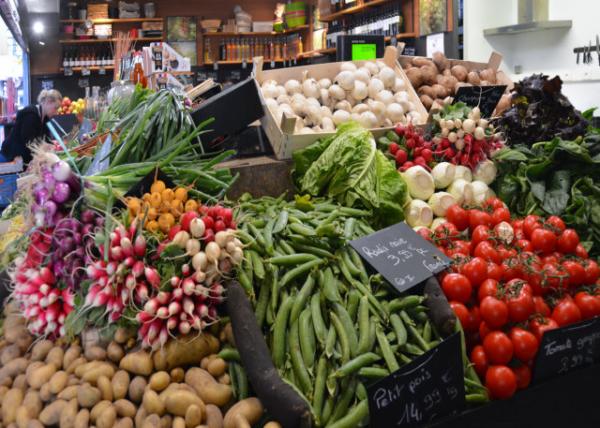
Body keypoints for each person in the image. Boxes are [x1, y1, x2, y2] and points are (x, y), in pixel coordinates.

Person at [0, 89, 62, 165]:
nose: (56, 112)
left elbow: (45, 139)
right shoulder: (30, 115)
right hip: (10, 157)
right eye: (55, 108)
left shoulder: (45, 118)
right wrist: (45, 149)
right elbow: (29, 142)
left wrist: (52, 146)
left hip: (22, 159)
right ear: (48, 102)